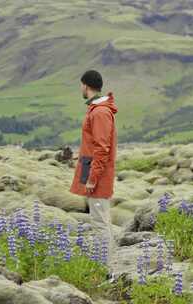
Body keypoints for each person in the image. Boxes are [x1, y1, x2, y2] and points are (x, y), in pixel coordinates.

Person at [70, 70, 119, 280]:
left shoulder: (99, 112)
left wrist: (92, 178)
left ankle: (107, 273)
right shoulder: (97, 109)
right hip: (95, 172)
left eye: (81, 85)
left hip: (97, 176)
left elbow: (102, 148)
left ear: (86, 85)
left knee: (100, 224)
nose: (80, 89)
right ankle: (108, 269)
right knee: (102, 222)